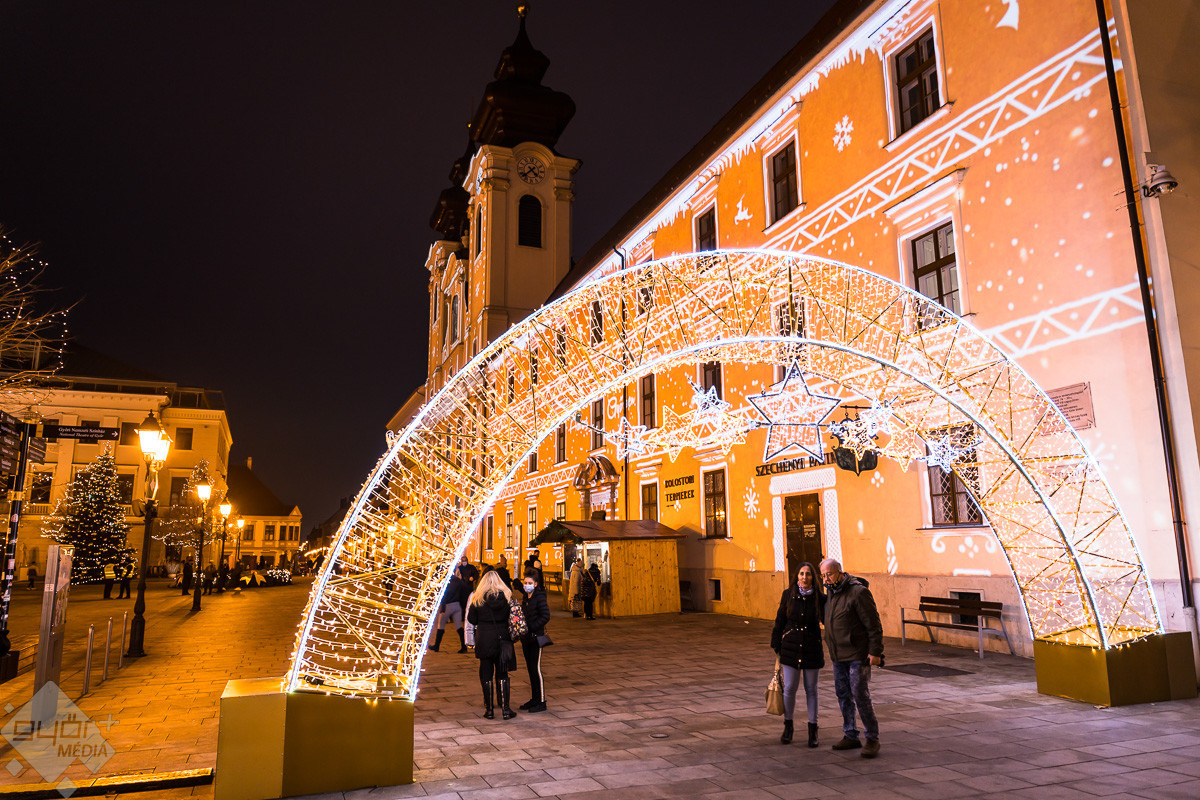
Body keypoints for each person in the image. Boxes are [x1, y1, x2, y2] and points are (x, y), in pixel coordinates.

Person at [820, 557, 884, 759]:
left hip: (857, 653)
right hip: (838, 654)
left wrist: (875, 652)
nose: (826, 579)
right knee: (843, 694)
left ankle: (872, 738)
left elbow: (873, 624)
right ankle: (850, 734)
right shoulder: (831, 593)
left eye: (829, 574)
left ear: (840, 572)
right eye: (823, 576)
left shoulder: (858, 592)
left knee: (859, 693)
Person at [771, 562, 825, 746]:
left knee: (811, 689)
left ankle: (813, 729)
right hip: (791, 647)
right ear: (797, 576)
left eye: (808, 574)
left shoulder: (820, 598)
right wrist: (776, 642)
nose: (804, 577)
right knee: (790, 688)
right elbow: (780, 619)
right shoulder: (788, 594)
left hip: (811, 647)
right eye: (801, 574)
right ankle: (788, 726)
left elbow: (828, 620)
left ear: (813, 577)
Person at [466, 570, 518, 720]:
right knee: (502, 673)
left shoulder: (478, 598)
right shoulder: (506, 597)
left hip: (484, 639)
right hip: (502, 638)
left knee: (486, 673)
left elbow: (472, 619)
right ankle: (506, 709)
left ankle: (489, 710)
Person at [518, 570, 551, 713]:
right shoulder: (526, 597)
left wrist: (532, 626)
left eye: (530, 583)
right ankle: (534, 698)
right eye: (525, 583)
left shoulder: (539, 597)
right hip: (526, 638)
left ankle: (541, 701)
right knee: (530, 669)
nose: (527, 585)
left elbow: (545, 616)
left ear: (536, 584)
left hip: (536, 638)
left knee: (536, 669)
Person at [430, 566, 470, 653]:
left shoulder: (445, 581)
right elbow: (465, 590)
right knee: (459, 626)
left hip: (447, 605)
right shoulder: (458, 580)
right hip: (457, 604)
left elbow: (444, 594)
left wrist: (442, 605)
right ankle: (464, 646)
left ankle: (436, 646)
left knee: (441, 625)